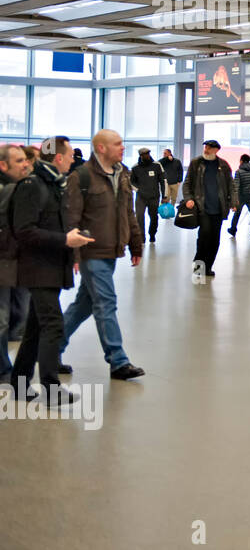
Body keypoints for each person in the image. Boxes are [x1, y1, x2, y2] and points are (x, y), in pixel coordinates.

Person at [8, 137, 93, 405]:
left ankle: (20, 384)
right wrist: (64, 240)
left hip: (51, 265)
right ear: (57, 158)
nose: (72, 160)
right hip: (37, 267)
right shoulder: (33, 186)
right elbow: (24, 231)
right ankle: (50, 387)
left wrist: (70, 239)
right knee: (53, 324)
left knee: (35, 328)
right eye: (69, 156)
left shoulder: (55, 185)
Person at [61, 129, 146, 381]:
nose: (122, 147)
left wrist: (136, 244)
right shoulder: (82, 177)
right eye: (117, 144)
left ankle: (51, 348)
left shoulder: (122, 174)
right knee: (106, 303)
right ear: (101, 148)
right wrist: (74, 254)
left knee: (83, 305)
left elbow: (128, 213)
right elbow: (71, 217)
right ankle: (118, 361)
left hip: (111, 249)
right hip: (91, 251)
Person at [0, 142, 33, 380]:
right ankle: (2, 368)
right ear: (3, 165)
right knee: (2, 318)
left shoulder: (23, 186)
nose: (26, 164)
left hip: (16, 260)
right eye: (20, 161)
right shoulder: (9, 190)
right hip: (4, 259)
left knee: (16, 314)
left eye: (26, 159)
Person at [182, 139, 235, 277]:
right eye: (205, 146)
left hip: (219, 208)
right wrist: (189, 199)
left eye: (210, 147)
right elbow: (187, 183)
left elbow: (231, 185)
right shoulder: (196, 163)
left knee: (215, 240)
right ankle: (199, 267)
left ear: (216, 150)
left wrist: (234, 202)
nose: (206, 149)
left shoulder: (223, 165)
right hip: (202, 207)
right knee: (204, 236)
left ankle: (208, 267)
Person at [129, 147, 166, 244]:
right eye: (144, 154)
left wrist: (164, 196)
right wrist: (138, 190)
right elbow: (131, 181)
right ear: (140, 156)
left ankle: (152, 234)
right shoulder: (135, 167)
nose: (147, 156)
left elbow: (163, 181)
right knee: (139, 217)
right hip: (140, 197)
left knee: (154, 217)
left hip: (154, 197)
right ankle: (142, 236)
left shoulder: (157, 165)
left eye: (148, 153)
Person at [228, 153, 250, 238]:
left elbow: (236, 185)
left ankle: (233, 229)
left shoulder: (238, 172)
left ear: (241, 161)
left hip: (241, 196)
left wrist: (234, 198)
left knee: (237, 213)